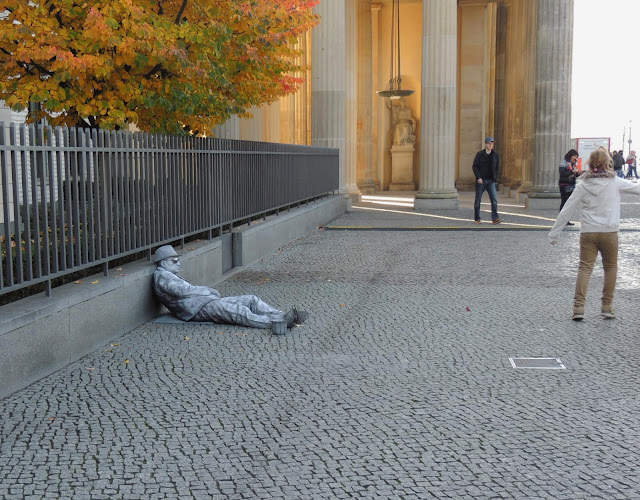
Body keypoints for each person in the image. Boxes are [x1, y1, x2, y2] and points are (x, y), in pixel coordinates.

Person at [549, 148, 640, 321]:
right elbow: (637, 188)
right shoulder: (616, 182)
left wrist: (555, 234)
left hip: (589, 232)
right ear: (608, 163)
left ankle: (578, 308)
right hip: (609, 232)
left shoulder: (582, 185)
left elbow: (567, 209)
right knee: (610, 267)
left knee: (584, 268)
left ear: (590, 164)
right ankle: (607, 306)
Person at [152, 245, 308, 333]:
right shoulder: (162, 277)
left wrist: (208, 293)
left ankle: (281, 315)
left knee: (250, 299)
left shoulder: (167, 273)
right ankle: (277, 322)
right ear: (164, 262)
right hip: (196, 310)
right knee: (238, 312)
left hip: (205, 303)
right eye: (174, 261)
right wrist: (207, 290)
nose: (179, 264)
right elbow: (182, 291)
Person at [472, 137, 503, 224]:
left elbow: (497, 167)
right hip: (481, 181)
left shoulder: (495, 155)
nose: (490, 145)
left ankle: (495, 218)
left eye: (492, 144)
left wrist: (495, 177)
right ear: (485, 144)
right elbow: (475, 166)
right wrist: (478, 177)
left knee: (494, 200)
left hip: (491, 181)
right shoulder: (479, 154)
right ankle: (477, 219)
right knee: (478, 200)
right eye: (489, 143)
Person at [558, 148, 580, 225]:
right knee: (564, 202)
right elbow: (562, 173)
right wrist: (572, 171)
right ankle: (561, 220)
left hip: (571, 184)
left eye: (576, 157)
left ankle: (566, 220)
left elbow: (574, 174)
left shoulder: (573, 164)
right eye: (574, 156)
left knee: (569, 203)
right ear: (570, 155)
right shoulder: (564, 162)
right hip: (564, 185)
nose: (575, 158)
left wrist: (578, 173)